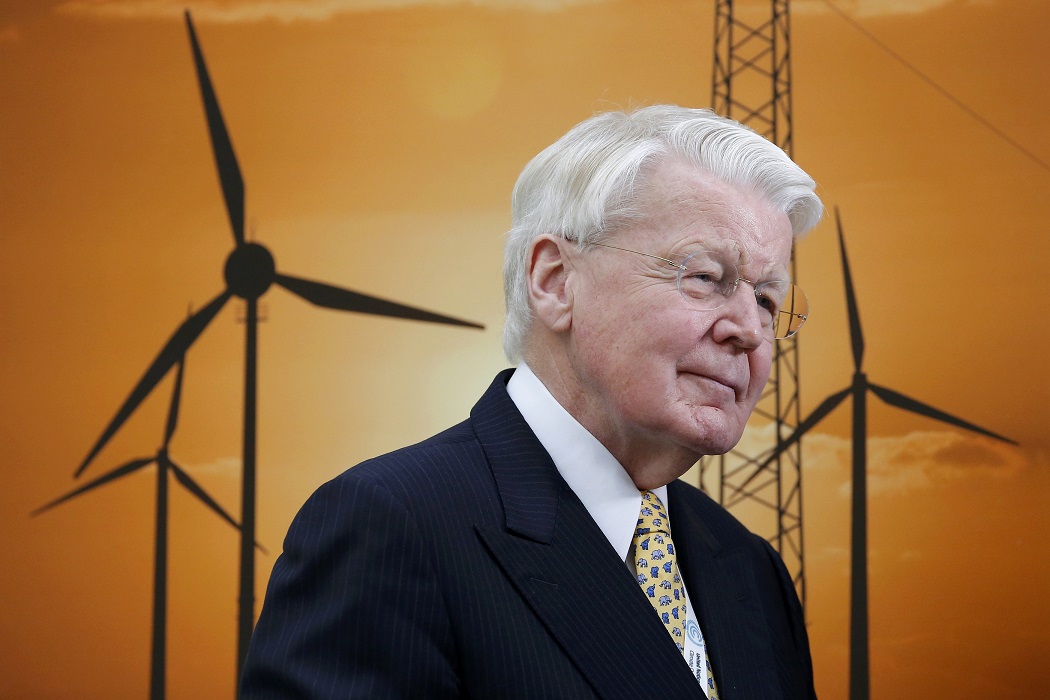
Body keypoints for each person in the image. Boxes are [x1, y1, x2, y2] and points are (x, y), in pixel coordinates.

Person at [240, 104, 823, 699]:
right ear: (554, 281)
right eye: (705, 276)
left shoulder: (749, 569)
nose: (749, 329)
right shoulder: (393, 525)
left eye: (769, 302)